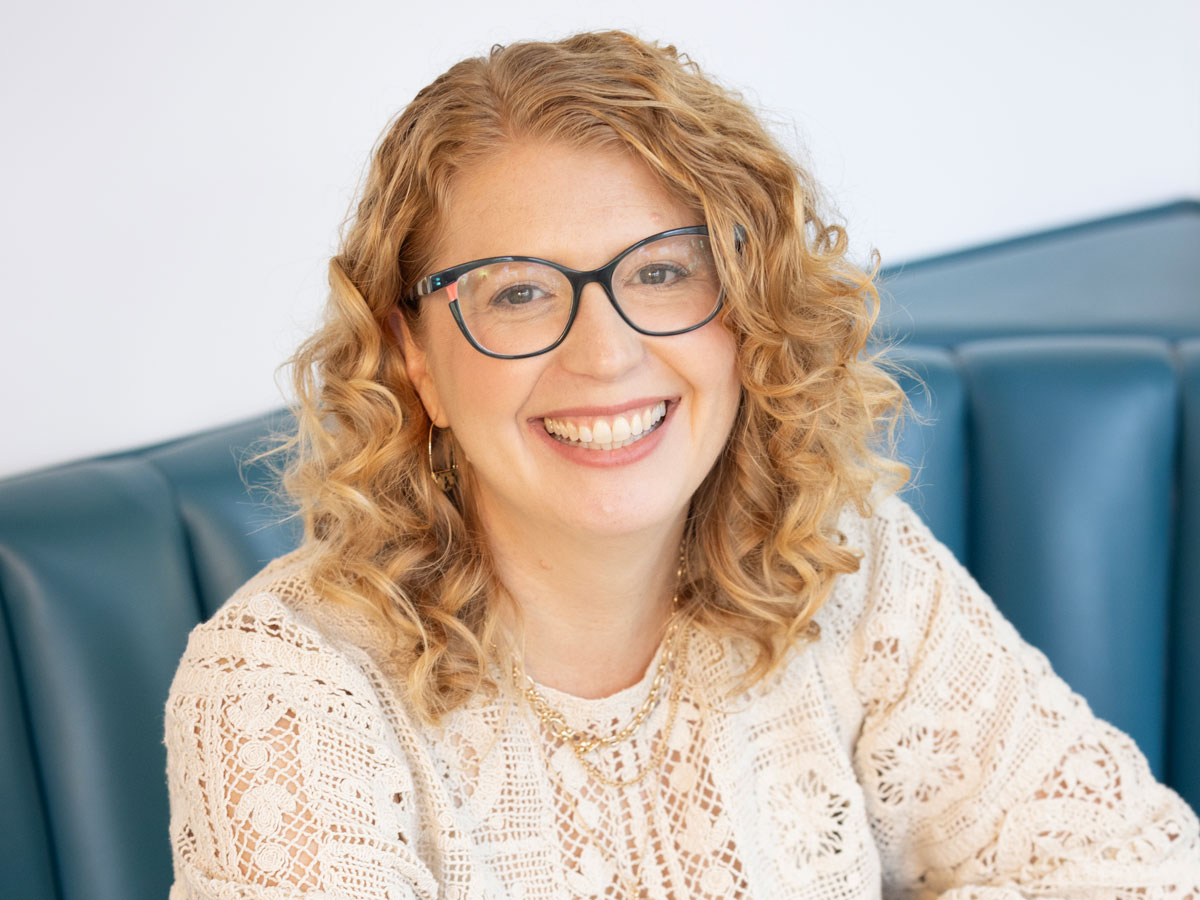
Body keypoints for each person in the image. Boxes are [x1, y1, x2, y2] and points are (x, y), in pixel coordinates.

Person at [164, 30, 1200, 899]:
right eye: (518, 292)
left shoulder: (846, 566)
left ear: (747, 316)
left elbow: (1140, 870)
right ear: (414, 360)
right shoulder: (285, 686)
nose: (605, 355)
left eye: (663, 273)